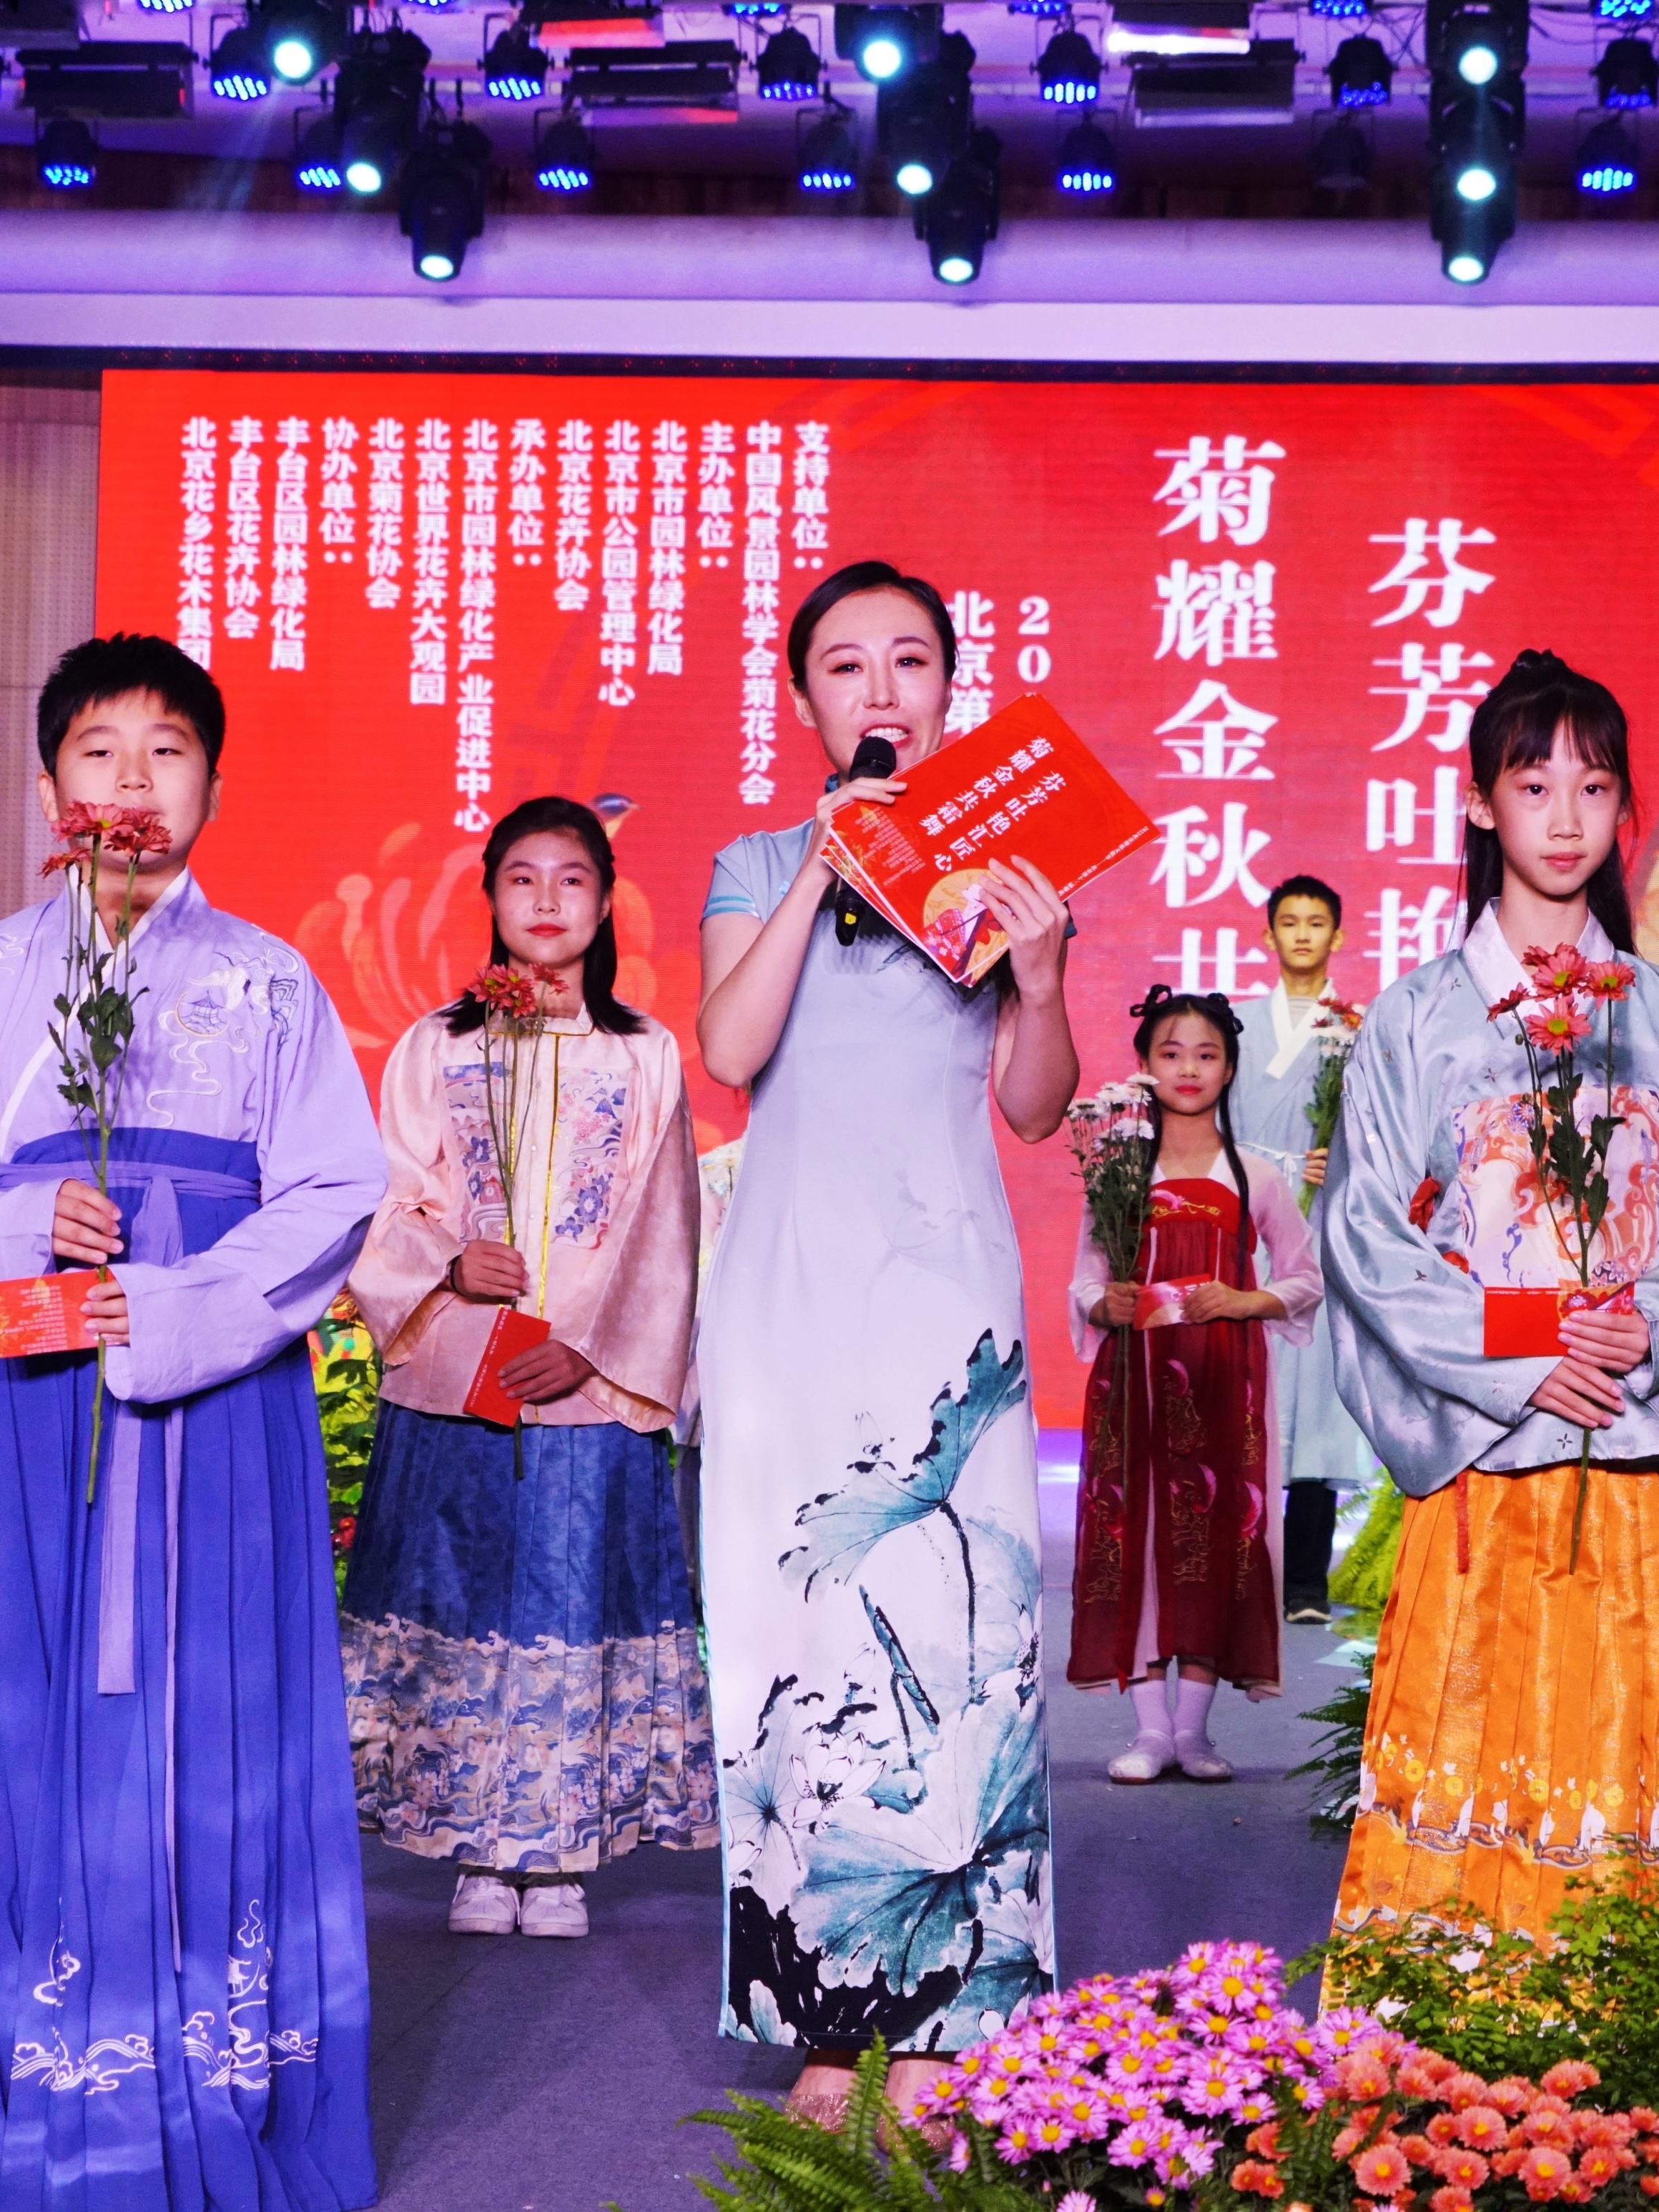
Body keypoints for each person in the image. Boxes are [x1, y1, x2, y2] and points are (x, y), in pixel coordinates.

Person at [0, 635, 380, 2212]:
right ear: (48, 789)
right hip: (14, 1393)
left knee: (207, 1716)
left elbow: (333, 1189)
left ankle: (204, 2084)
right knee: (12, 1711)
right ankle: (10, 2094)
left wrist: (180, 1307)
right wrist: (21, 1226)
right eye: (98, 749)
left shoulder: (271, 979)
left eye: (167, 750)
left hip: (213, 1397)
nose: (132, 780)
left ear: (212, 785)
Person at [694, 560, 1079, 2120]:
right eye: (844, 664)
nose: (879, 689)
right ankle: (825, 2017)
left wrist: (1041, 974)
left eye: (909, 659)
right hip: (786, 1288)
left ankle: (949, 2014)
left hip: (940, 1298)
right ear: (804, 700)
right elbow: (730, 1045)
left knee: (955, 1630)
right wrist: (823, 863)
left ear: (948, 688)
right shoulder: (754, 859)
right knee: (793, 1636)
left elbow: (1036, 1104)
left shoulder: (1009, 865)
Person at [1323, 649, 1659, 1942]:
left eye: (1593, 784)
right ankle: (1440, 2034)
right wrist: (1527, 1351)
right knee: (1468, 1740)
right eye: (1533, 785)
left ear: (1625, 803)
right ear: (1480, 803)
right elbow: (1364, 1235)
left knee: (1613, 1757)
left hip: (1618, 1444)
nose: (1566, 815)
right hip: (1489, 1452)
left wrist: (1651, 1325)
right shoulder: (1418, 1018)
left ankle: (1625, 2034)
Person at [338, 795, 714, 1942]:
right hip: (463, 1373)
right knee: (461, 1602)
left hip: (587, 1386)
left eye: (572, 878)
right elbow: (388, 1192)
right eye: (521, 878)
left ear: (606, 901)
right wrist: (449, 1263)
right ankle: (472, 1849)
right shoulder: (436, 1045)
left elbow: (664, 1224)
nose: (547, 900)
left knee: (571, 1603)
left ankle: (559, 1855)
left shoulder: (644, 1053)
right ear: (490, 896)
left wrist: (587, 1343)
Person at [1070, 988, 1321, 1784]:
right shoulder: (1117, 1175)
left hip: (1222, 1384)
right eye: (1171, 1053)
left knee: (1216, 1538)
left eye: (1206, 1054)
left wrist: (1246, 1300)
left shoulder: (1257, 1177)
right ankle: (1149, 1732)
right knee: (1139, 1535)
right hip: (1136, 1384)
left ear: (1231, 1068)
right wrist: (1103, 1303)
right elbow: (1085, 1280)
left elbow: (1305, 1278)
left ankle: (1194, 1733)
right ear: (1144, 1066)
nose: (1188, 1068)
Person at [1226, 874, 1373, 1621]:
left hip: (1316, 1227)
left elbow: (1384, 1132)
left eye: (1317, 922)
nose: (1303, 934)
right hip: (1247, 1218)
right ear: (1269, 935)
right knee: (1245, 1393)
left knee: (1314, 1399)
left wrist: (1338, 1159)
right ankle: (1238, 1574)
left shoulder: (1358, 1028)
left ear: (1337, 936)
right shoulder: (1236, 1024)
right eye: (1290, 922)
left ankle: (1306, 1581)